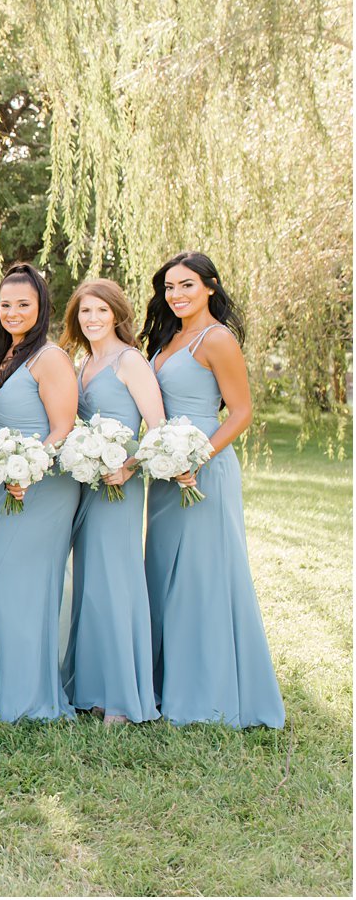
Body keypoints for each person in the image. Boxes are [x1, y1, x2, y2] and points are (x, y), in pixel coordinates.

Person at [141, 251, 284, 728]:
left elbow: (241, 412)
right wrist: (165, 458)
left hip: (204, 466)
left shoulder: (217, 339)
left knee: (202, 577)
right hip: (166, 471)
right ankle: (163, 684)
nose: (176, 295)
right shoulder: (167, 338)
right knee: (165, 574)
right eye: (169, 287)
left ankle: (207, 694)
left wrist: (195, 458)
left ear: (210, 287)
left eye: (186, 285)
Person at [0, 263, 80, 722]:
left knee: (25, 587)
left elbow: (63, 427)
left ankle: (29, 694)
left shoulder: (49, 358)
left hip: (42, 486)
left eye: (23, 305)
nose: (13, 312)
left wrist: (30, 469)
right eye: (6, 304)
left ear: (41, 307)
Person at [59, 279, 162, 724]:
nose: (92, 319)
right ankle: (92, 686)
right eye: (85, 312)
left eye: (101, 311)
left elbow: (157, 429)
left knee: (116, 582)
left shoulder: (130, 361)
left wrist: (128, 466)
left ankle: (122, 695)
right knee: (91, 584)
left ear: (117, 314)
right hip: (87, 484)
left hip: (119, 485)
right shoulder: (82, 363)